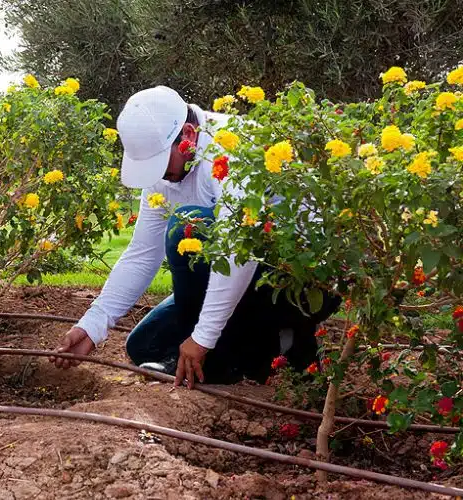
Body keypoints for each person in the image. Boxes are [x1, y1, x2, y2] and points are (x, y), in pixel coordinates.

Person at [51, 86, 339, 387]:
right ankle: (284, 341)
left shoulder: (235, 146)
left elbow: (236, 249)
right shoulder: (167, 168)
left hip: (301, 286)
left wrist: (202, 339)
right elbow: (142, 254)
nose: (159, 175)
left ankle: (232, 357)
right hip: (248, 281)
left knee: (184, 228)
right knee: (145, 346)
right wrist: (93, 324)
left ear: (188, 135)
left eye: (161, 164)